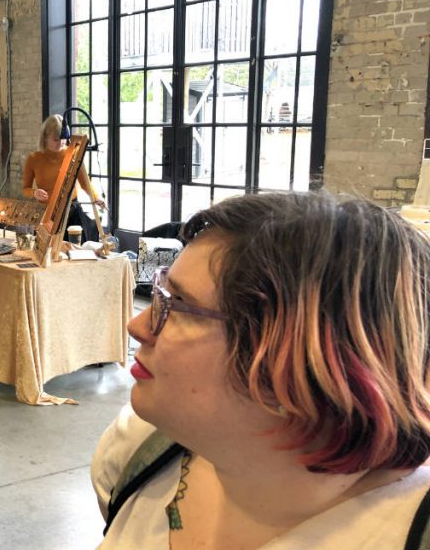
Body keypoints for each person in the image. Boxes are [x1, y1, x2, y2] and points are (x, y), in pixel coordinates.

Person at [91, 191, 430, 549]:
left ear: (303, 359)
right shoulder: (138, 451)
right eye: (160, 296)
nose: (138, 326)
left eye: (179, 306)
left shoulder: (404, 530)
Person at [21, 114, 104, 243]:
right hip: (46, 214)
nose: (60, 143)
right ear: (45, 138)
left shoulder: (73, 154)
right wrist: (34, 193)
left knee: (74, 250)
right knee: (49, 252)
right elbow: (25, 188)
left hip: (70, 213)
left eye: (64, 139)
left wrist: (96, 197)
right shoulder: (34, 159)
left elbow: (84, 182)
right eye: (56, 140)